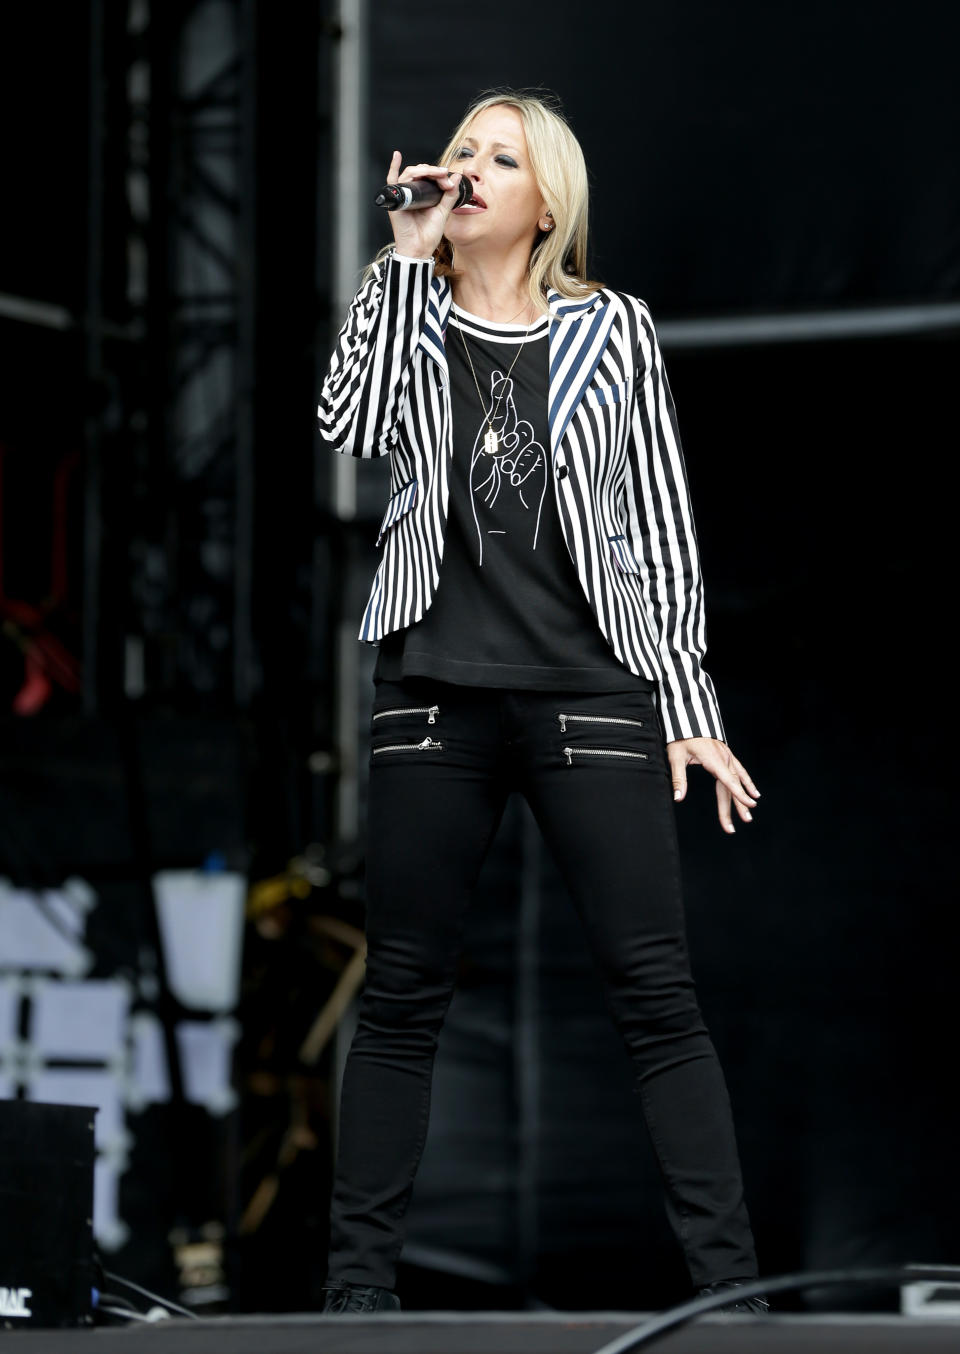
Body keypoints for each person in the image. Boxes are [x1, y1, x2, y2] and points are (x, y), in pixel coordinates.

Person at [316, 89, 766, 1316]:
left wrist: (689, 700)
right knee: (403, 996)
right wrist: (402, 262)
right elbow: (346, 425)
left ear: (543, 200)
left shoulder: (613, 329)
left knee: (656, 995)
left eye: (495, 158)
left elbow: (658, 522)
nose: (464, 169)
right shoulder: (410, 307)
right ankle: (356, 1303)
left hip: (590, 693)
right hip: (431, 698)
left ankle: (732, 1297)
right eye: (458, 150)